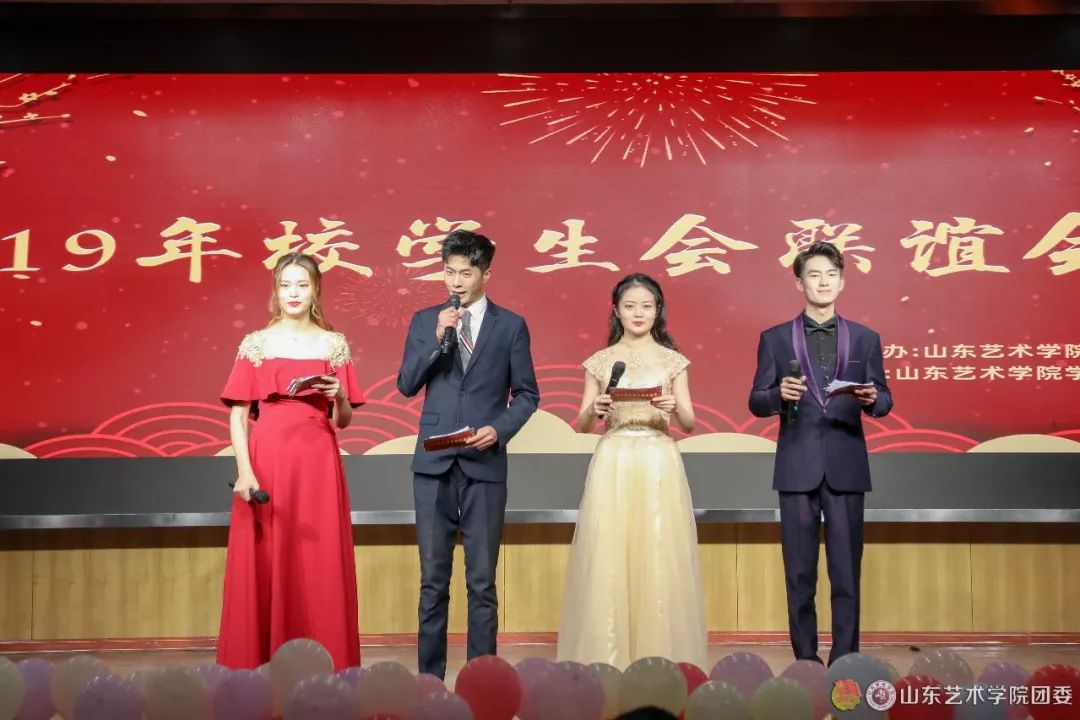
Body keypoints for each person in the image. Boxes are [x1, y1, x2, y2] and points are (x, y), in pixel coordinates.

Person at [396, 229, 539, 680]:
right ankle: (429, 681)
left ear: (485, 274)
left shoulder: (510, 325)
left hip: (484, 463)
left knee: (481, 583)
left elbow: (528, 395)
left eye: (466, 273)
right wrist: (437, 336)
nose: (455, 282)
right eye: (449, 272)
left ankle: (482, 681)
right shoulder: (426, 321)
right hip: (433, 464)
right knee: (432, 581)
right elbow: (406, 384)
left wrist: (499, 429)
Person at [217, 252, 365, 671]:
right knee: (267, 558)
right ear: (276, 291)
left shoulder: (333, 344)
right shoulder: (256, 343)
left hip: (318, 464)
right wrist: (245, 471)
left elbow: (343, 420)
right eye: (286, 285)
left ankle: (326, 668)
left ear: (315, 289)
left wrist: (339, 395)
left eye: (302, 284)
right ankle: (259, 669)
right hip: (267, 461)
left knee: (319, 561)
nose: (293, 293)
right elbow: (238, 416)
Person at [748, 241, 892, 666]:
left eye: (831, 274)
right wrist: (778, 393)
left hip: (847, 465)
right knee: (799, 574)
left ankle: (845, 661)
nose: (823, 282)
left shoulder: (865, 338)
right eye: (814, 274)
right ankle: (806, 664)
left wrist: (872, 398)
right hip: (797, 466)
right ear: (800, 283)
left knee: (846, 572)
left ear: (842, 282)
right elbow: (756, 401)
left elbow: (885, 400)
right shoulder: (775, 338)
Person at [557, 273, 707, 670]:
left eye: (646, 306)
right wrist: (594, 409)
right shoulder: (601, 361)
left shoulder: (674, 360)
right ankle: (608, 658)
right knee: (610, 553)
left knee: (658, 551)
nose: (638, 313)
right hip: (615, 460)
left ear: (657, 311)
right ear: (617, 311)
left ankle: (661, 659)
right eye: (630, 306)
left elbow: (689, 423)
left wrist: (674, 407)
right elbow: (582, 424)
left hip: (658, 459)